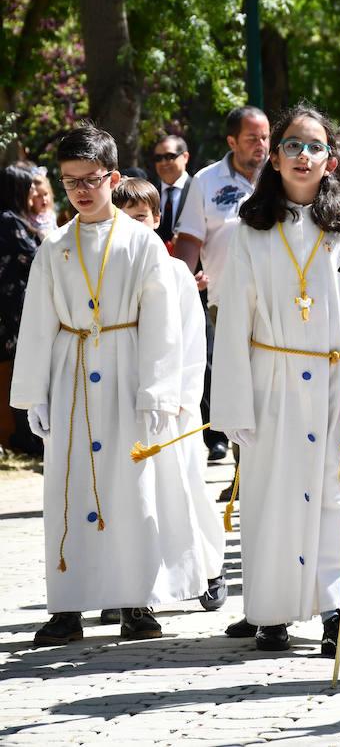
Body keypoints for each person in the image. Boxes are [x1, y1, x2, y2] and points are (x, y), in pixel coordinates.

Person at [10, 123, 209, 647]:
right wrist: (32, 393)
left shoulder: (142, 242)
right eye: (70, 180)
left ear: (113, 176)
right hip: (71, 372)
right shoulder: (55, 246)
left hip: (127, 375)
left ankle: (135, 599)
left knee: (131, 488)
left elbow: (163, 322)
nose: (80, 190)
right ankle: (68, 604)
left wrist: (160, 393)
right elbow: (38, 320)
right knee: (69, 490)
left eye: (90, 179)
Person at [210, 103, 340, 657]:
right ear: (276, 156)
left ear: (331, 160)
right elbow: (234, 320)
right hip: (274, 381)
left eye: (314, 146)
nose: (303, 155)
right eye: (293, 145)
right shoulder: (247, 231)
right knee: (274, 495)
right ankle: (272, 608)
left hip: (337, 382)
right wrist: (234, 407)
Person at [112, 176, 227, 608]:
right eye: (125, 220)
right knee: (133, 493)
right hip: (129, 399)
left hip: (175, 402)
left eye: (142, 218)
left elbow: (192, 340)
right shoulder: (109, 274)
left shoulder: (176, 270)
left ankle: (210, 567)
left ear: (158, 220)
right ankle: (130, 583)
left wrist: (183, 395)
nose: (135, 227)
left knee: (186, 485)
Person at [174, 106, 270, 470]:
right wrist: (178, 290)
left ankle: (270, 468)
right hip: (226, 300)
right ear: (232, 141)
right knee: (236, 385)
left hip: (279, 299)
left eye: (265, 137)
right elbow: (189, 241)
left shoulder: (281, 176)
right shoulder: (206, 181)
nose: (261, 146)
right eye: (252, 138)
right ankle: (243, 474)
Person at [0, 165, 42, 456]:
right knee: (21, 372)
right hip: (13, 314)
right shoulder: (9, 221)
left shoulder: (14, 219)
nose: (34, 192)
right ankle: (24, 437)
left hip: (17, 310)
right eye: (29, 187)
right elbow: (35, 259)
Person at [153, 135, 191, 248]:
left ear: (185, 157)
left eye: (170, 156)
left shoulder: (199, 190)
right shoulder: (151, 194)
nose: (163, 162)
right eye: (158, 158)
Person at [27, 169, 57, 239]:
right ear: (31, 198)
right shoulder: (29, 218)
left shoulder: (51, 214)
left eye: (46, 194)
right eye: (38, 196)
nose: (44, 199)